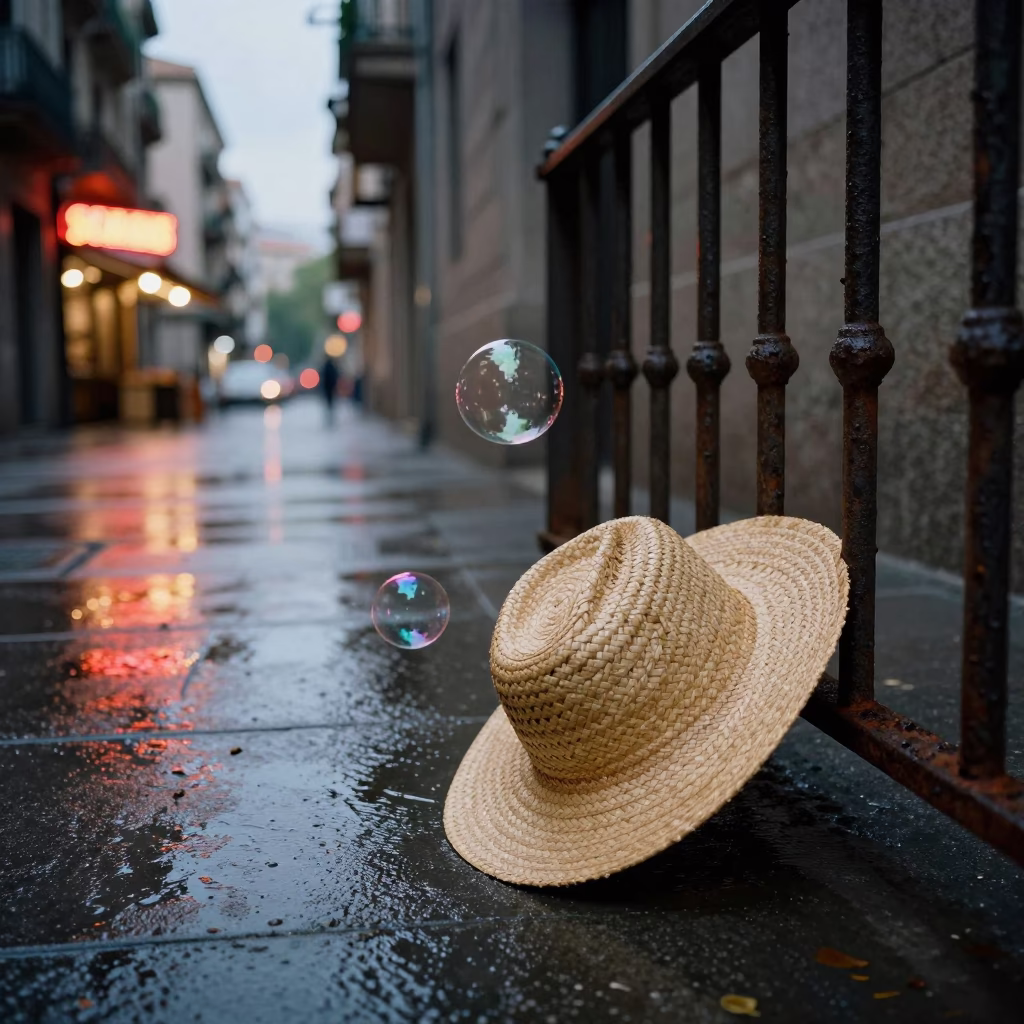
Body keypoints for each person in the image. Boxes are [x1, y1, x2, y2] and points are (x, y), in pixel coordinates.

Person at [320, 356, 340, 422]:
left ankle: (329, 415)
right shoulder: (332, 367)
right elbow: (335, 376)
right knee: (331, 402)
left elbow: (322, 377)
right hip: (331, 387)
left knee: (328, 402)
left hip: (326, 387)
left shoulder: (325, 367)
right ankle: (331, 415)